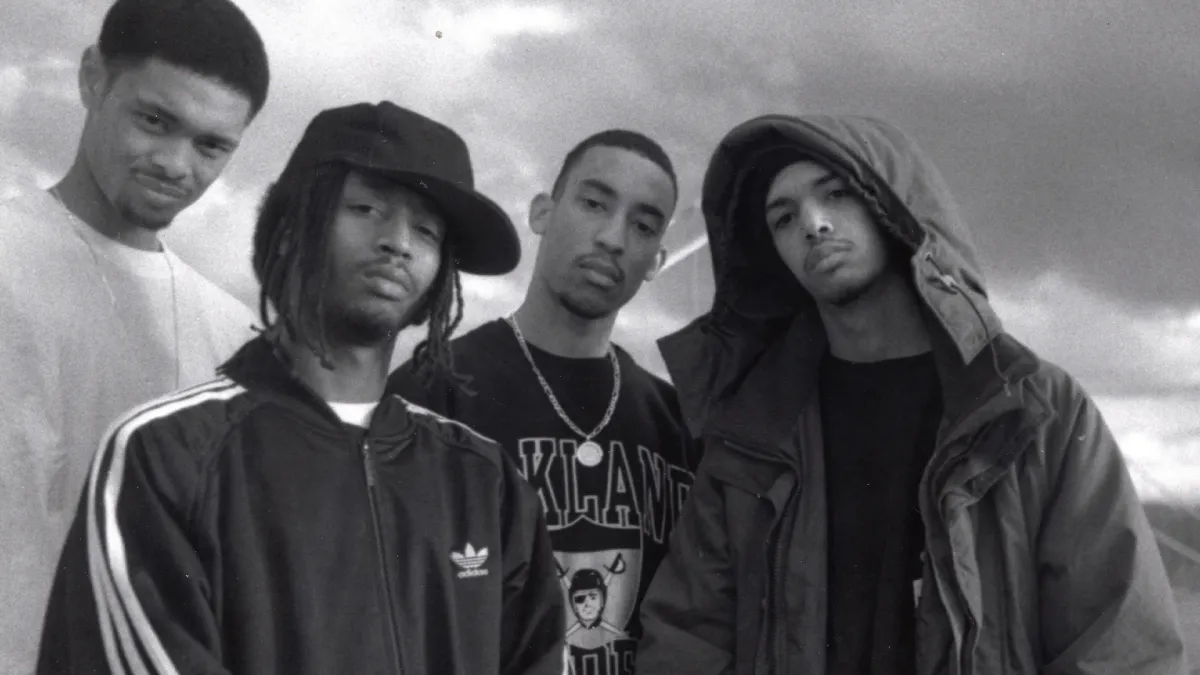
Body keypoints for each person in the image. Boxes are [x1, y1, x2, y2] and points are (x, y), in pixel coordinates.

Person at [636, 115, 1188, 674]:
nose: (813, 224)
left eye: (837, 194)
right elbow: (687, 639)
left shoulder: (1032, 409)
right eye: (783, 218)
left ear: (893, 207)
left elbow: (1119, 648)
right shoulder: (748, 435)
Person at [36, 101, 566, 675]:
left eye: (426, 230)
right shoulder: (166, 455)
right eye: (366, 209)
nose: (398, 242)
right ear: (290, 231)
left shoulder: (485, 481)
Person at [0, 0, 269, 671]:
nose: (176, 164)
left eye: (211, 146)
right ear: (93, 78)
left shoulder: (238, 338)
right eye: (154, 121)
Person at [388, 130, 698, 675]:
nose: (613, 238)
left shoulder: (677, 425)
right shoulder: (430, 393)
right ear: (542, 214)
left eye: (643, 226)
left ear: (656, 260)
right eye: (594, 203)